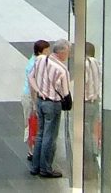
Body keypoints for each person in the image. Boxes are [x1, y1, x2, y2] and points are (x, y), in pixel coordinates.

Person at [28, 39, 71, 178]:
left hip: (41, 101)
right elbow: (66, 92)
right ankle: (46, 168)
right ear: (62, 52)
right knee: (50, 136)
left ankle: (35, 166)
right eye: (68, 52)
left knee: (40, 134)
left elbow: (30, 77)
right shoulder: (62, 69)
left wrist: (39, 91)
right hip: (53, 104)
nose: (68, 55)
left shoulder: (40, 60)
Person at [22, 39, 52, 155]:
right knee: (31, 122)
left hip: (33, 96)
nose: (48, 52)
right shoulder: (34, 63)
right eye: (46, 50)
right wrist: (35, 104)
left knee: (34, 123)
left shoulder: (38, 61)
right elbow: (31, 85)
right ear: (40, 52)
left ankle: (34, 149)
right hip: (29, 97)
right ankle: (31, 150)